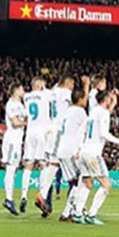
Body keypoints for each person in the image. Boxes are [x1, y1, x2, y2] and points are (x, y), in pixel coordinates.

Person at [36, 74, 86, 216]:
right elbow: (78, 102)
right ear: (68, 82)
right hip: (58, 130)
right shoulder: (66, 93)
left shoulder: (52, 92)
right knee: (54, 164)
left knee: (53, 163)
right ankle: (43, 194)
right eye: (72, 83)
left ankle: (44, 195)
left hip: (49, 128)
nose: (73, 86)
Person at [74, 90, 119, 225]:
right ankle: (91, 215)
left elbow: (83, 131)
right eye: (109, 98)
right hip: (93, 153)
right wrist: (118, 141)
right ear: (105, 99)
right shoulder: (103, 113)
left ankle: (77, 213)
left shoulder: (93, 112)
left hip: (84, 151)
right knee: (106, 184)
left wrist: (78, 148)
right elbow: (103, 133)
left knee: (87, 183)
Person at [56, 86, 89, 222]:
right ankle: (70, 212)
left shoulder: (67, 111)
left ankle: (72, 210)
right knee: (80, 182)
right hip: (71, 151)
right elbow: (87, 129)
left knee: (75, 182)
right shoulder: (80, 112)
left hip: (62, 150)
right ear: (80, 99)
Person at [22, 76, 51, 214]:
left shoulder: (26, 97)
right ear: (39, 84)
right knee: (43, 164)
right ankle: (41, 194)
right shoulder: (45, 94)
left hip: (30, 132)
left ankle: (23, 196)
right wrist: (44, 88)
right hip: (41, 133)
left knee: (28, 164)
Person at [1, 81, 27, 216]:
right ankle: (8, 198)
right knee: (11, 168)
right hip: (12, 140)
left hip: (17, 140)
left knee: (14, 168)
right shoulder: (11, 104)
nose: (24, 91)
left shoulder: (20, 105)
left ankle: (9, 197)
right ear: (16, 91)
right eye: (22, 88)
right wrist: (28, 123)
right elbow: (15, 122)